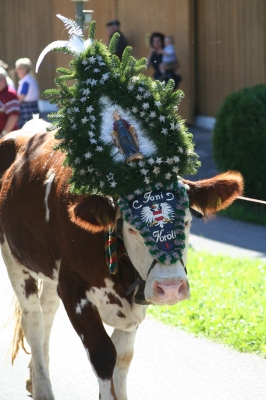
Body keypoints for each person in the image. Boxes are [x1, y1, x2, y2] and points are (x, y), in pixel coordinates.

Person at [15, 58, 40, 128]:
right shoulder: (31, 79)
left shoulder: (26, 82)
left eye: (18, 68)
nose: (16, 71)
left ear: (25, 69)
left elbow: (21, 97)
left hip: (27, 108)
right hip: (34, 107)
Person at [0, 67, 20, 138]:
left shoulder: (10, 94)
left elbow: (13, 116)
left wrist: (3, 134)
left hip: (7, 137)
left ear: (4, 79)